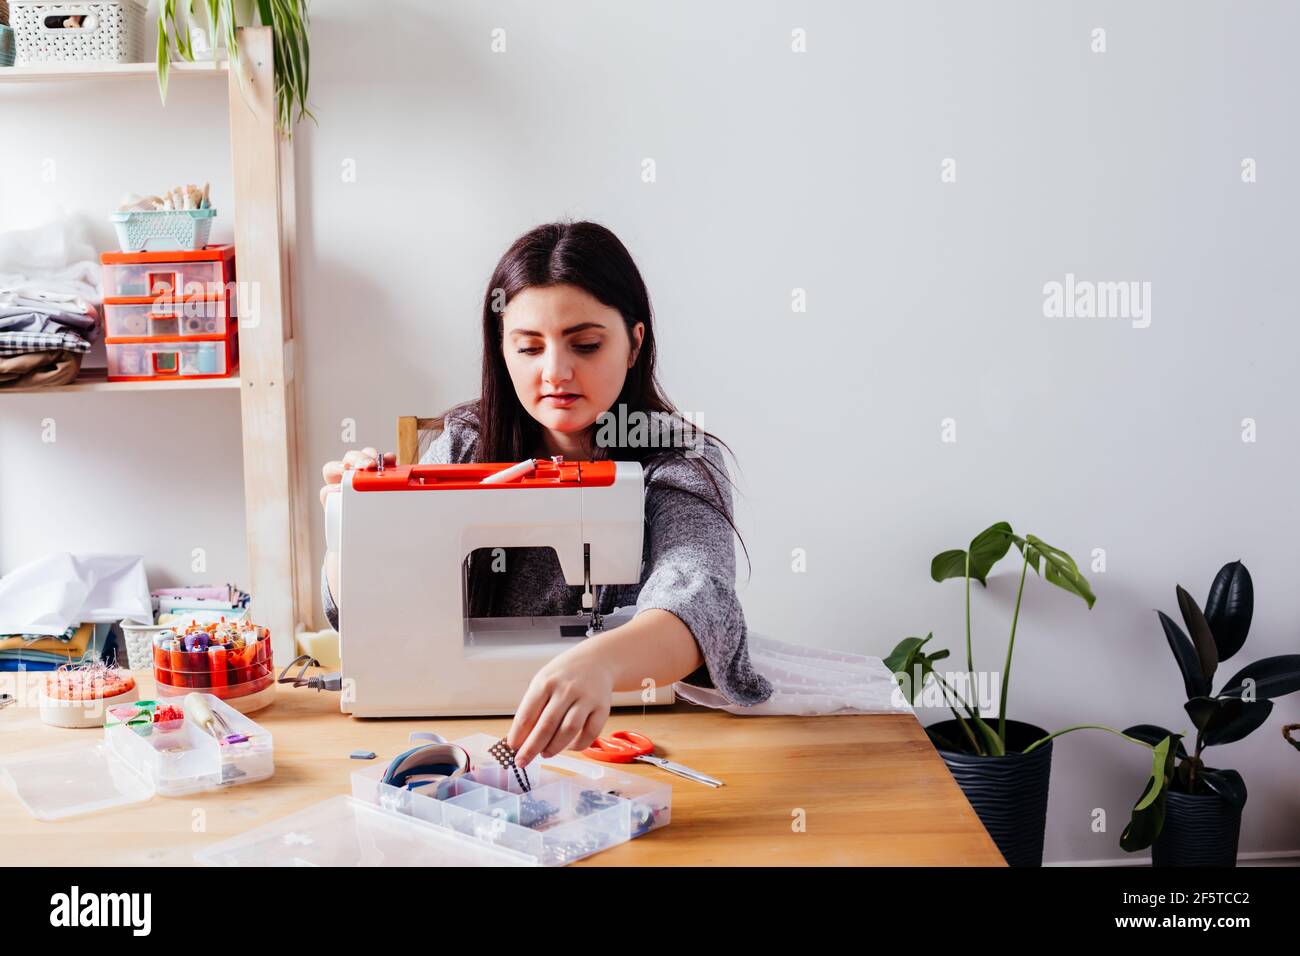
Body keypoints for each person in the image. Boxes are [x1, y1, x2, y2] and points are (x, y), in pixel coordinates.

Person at [320, 220, 772, 766]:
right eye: (529, 348)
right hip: (467, 735)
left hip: (644, 737)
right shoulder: (464, 445)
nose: (556, 372)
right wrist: (354, 530)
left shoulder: (679, 458)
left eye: (585, 344)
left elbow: (699, 597)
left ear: (634, 342)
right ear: (502, 351)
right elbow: (372, 615)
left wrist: (600, 663)